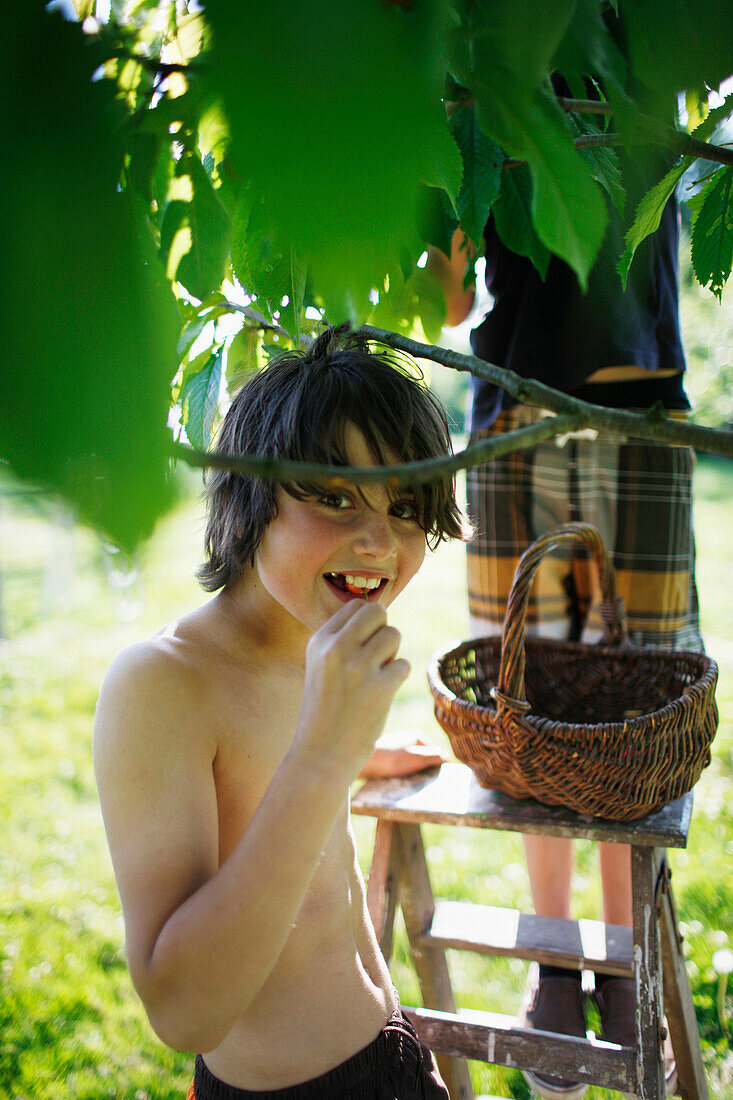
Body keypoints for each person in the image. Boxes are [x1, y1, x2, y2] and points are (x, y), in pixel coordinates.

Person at [93, 326, 467, 1100]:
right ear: (249, 499)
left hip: (393, 1049)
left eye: (404, 507)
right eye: (333, 497)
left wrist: (357, 752)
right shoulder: (161, 685)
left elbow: (255, 777)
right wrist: (325, 755)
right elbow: (182, 1010)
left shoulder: (309, 641)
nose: (377, 540)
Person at [431, 142, 699, 1099]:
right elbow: (450, 306)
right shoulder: (477, 74)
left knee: (642, 704)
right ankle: (554, 967)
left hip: (645, 415)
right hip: (515, 418)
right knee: (524, 701)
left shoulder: (647, 55)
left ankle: (625, 966)